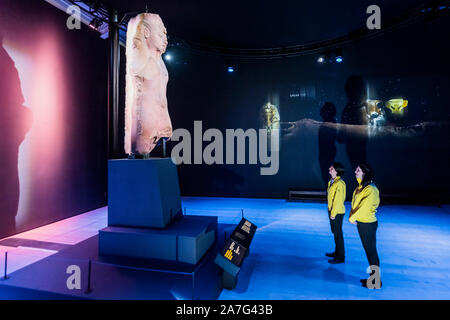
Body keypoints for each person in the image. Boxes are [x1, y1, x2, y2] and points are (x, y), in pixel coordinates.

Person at [349, 163, 382, 288]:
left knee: (371, 252)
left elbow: (364, 207)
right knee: (369, 252)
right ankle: (373, 278)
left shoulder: (371, 189)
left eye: (358, 170)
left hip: (367, 224)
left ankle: (376, 281)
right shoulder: (362, 187)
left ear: (365, 172)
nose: (355, 171)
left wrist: (352, 218)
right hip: (363, 223)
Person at [326, 162, 346, 264]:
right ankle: (337, 252)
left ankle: (341, 257)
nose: (330, 168)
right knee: (335, 233)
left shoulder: (340, 183)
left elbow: (338, 201)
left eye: (332, 168)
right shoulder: (332, 181)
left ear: (337, 171)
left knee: (338, 234)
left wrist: (333, 214)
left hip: (337, 212)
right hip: (332, 211)